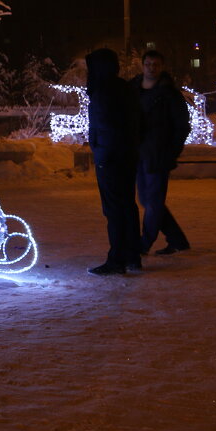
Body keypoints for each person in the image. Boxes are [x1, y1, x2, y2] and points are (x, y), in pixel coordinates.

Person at [85, 48, 142, 275]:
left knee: (114, 208)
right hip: (126, 155)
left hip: (110, 158)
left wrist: (100, 151)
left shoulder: (102, 92)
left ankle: (117, 259)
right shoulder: (125, 88)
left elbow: (103, 127)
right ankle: (132, 256)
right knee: (127, 205)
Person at [130, 50, 191, 255]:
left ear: (161, 66)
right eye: (148, 64)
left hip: (158, 154)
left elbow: (182, 125)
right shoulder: (133, 88)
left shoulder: (169, 93)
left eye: (155, 64)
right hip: (139, 153)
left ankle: (143, 244)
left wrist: (172, 152)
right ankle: (178, 240)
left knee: (153, 202)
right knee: (146, 200)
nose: (151, 68)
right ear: (142, 65)